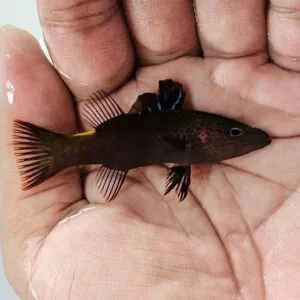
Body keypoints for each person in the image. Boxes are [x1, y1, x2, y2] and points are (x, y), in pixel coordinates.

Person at [1, 1, 300, 299]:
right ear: (204, 137)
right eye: (234, 133)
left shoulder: (193, 146)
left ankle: (55, 151)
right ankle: (56, 151)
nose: (242, 138)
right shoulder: (190, 143)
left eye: (238, 132)